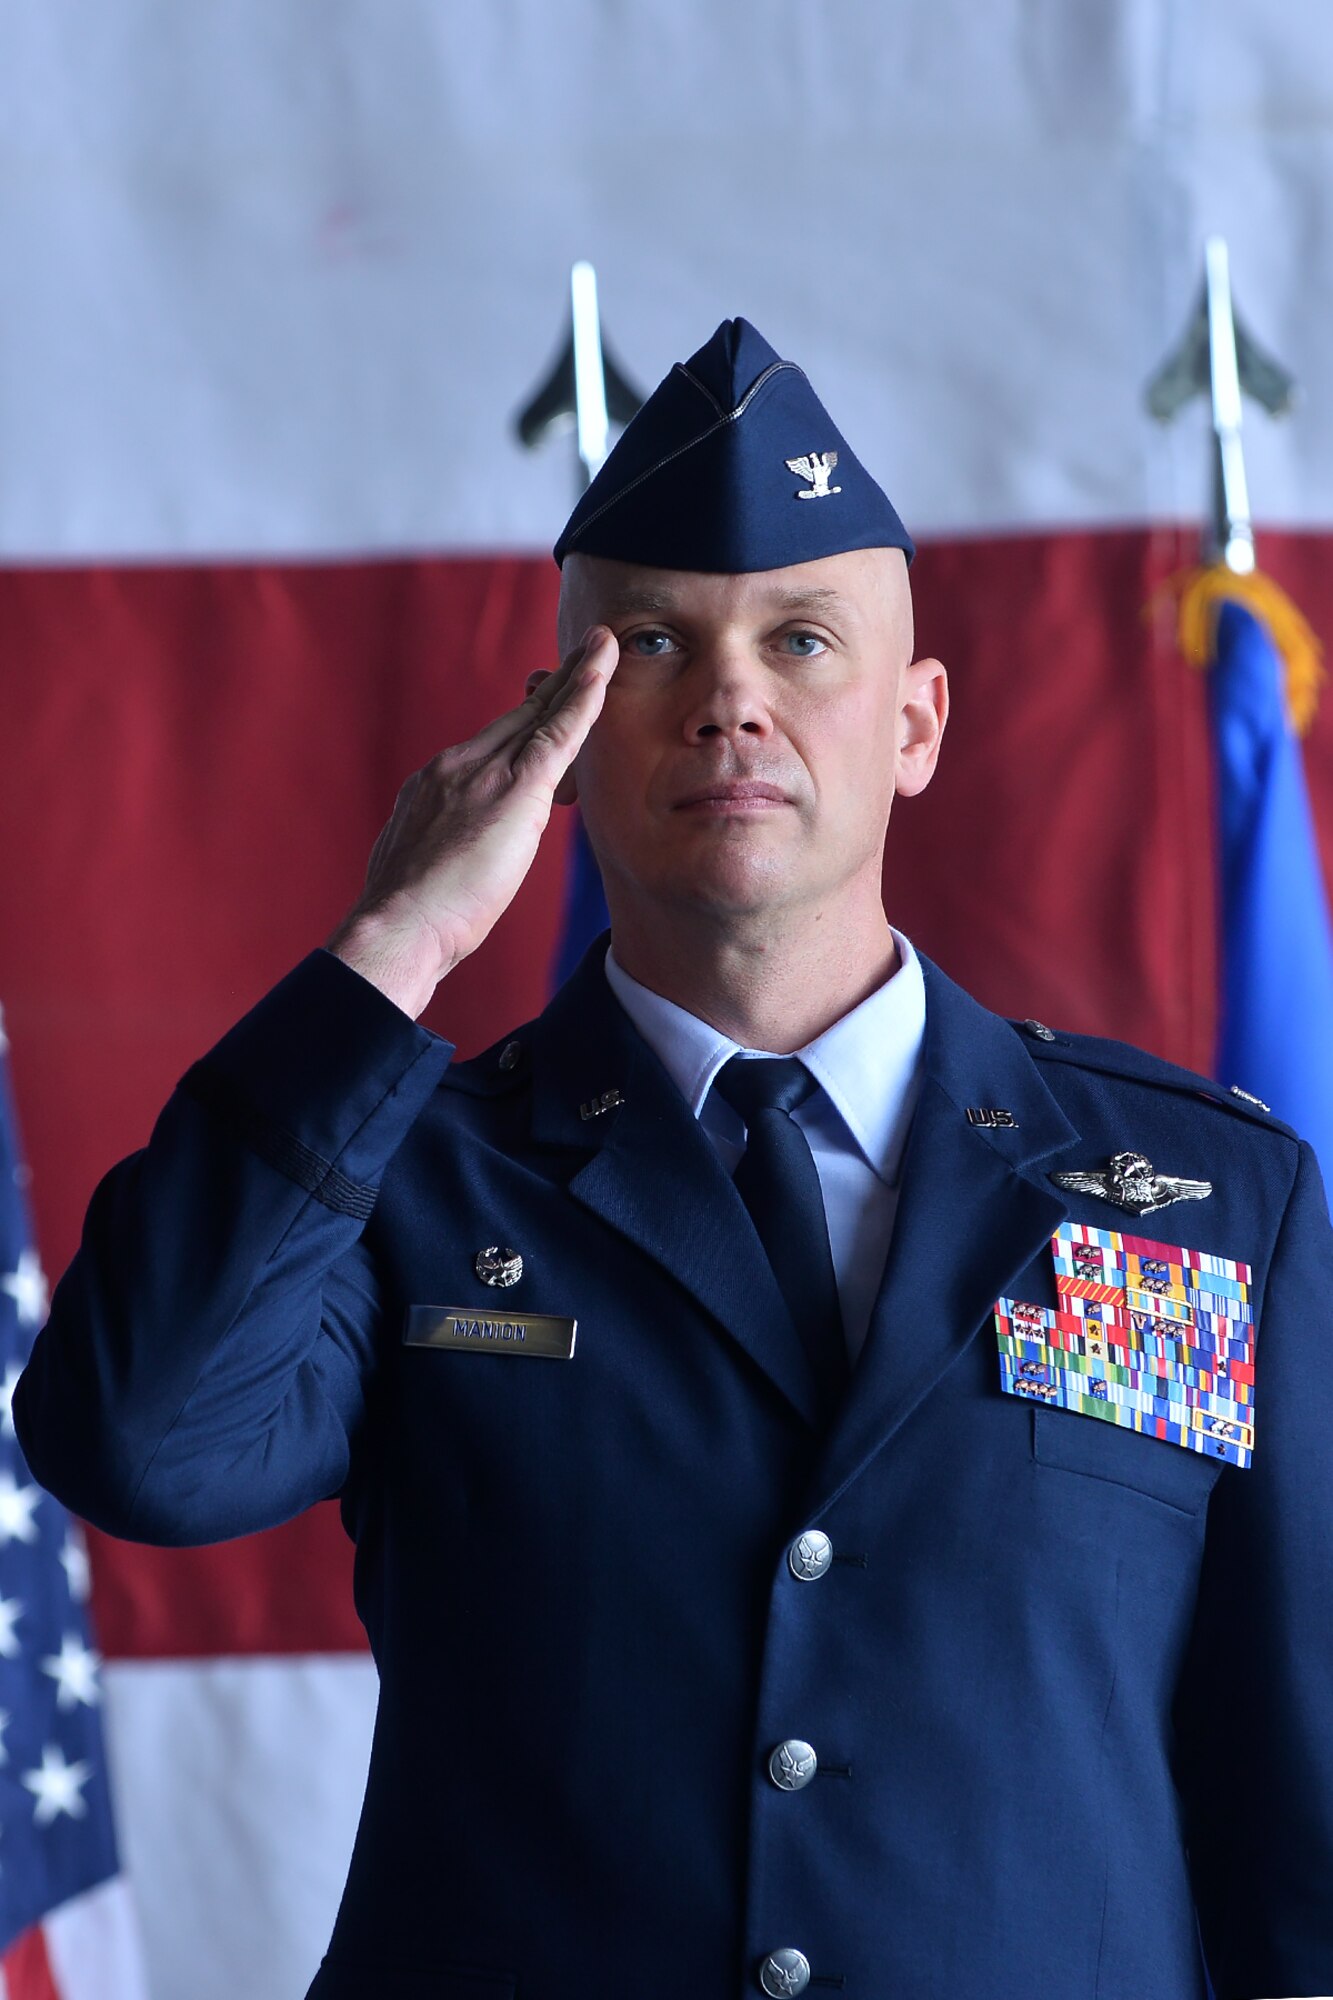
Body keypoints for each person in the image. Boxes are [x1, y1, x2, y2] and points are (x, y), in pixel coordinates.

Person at [15, 320, 1333, 2000]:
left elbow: (1297, 1826)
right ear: (555, 729)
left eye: (800, 642)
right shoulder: (404, 1180)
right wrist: (391, 949)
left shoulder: (1206, 1199)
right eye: (651, 643)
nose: (729, 701)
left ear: (917, 723)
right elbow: (133, 1440)